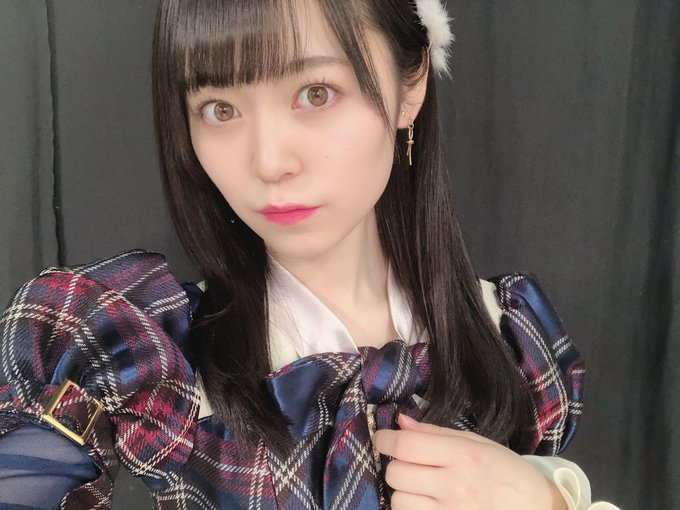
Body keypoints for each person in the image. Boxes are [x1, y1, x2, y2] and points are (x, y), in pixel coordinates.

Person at [0, 0, 620, 508]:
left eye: (316, 93)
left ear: (410, 87)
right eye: (220, 109)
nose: (269, 162)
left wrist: (548, 500)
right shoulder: (139, 352)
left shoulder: (507, 338)